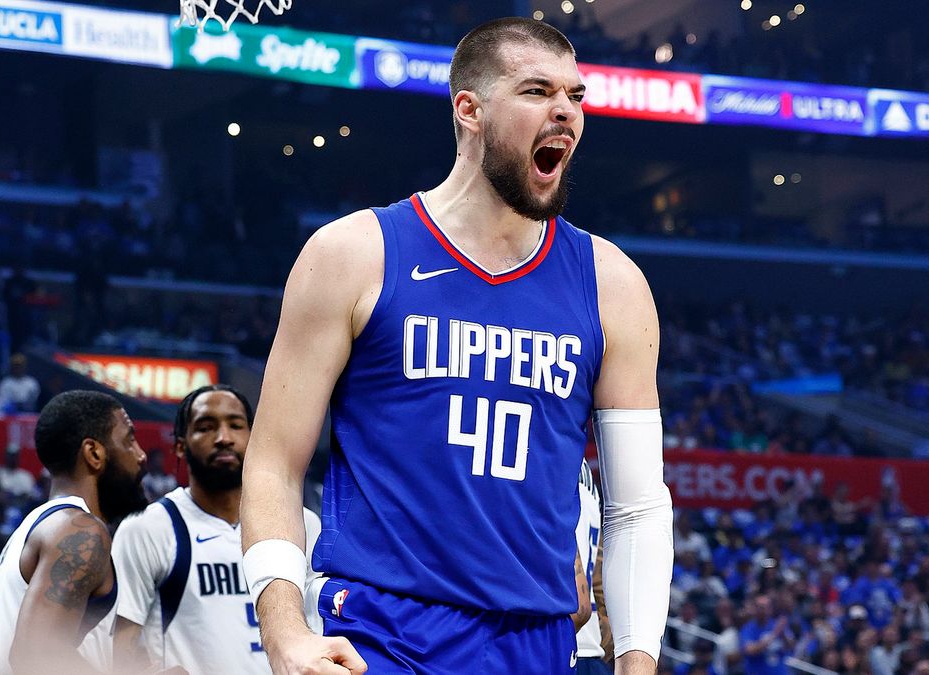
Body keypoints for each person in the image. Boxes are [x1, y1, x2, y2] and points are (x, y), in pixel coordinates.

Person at [239, 17, 673, 675]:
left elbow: (637, 505)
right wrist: (284, 632)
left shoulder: (613, 285)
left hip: (538, 642)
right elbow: (273, 462)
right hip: (383, 636)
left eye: (576, 96)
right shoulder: (354, 255)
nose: (565, 111)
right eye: (536, 91)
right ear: (469, 109)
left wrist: (638, 663)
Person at [113, 384, 322, 673]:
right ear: (180, 445)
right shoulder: (148, 528)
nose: (224, 438)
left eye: (236, 426)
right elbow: (121, 645)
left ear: (254, 438)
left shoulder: (304, 523)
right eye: (206, 427)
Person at [0, 390, 149, 675]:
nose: (141, 455)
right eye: (129, 439)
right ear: (94, 453)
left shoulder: (30, 532)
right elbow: (37, 653)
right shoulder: (79, 531)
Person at [576, 459, 610, 675]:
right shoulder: (586, 472)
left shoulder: (546, 450)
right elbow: (599, 572)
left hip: (555, 645)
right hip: (591, 650)